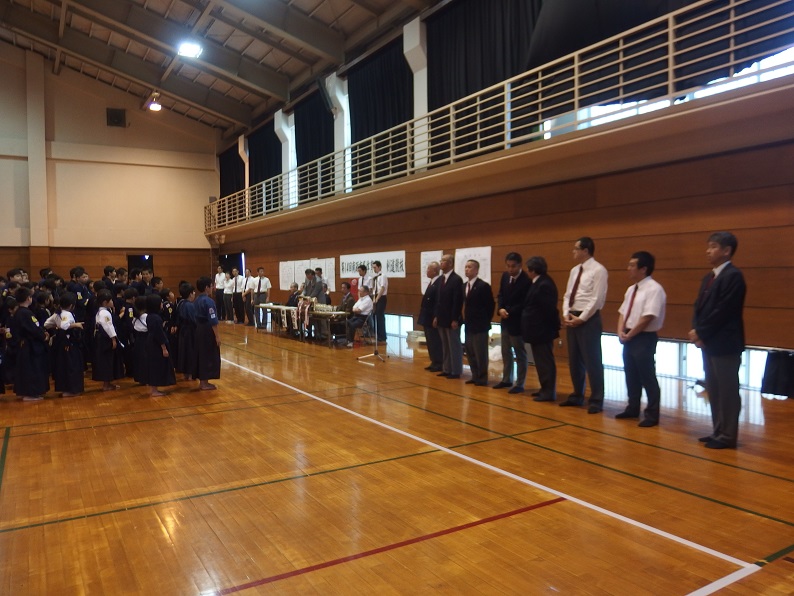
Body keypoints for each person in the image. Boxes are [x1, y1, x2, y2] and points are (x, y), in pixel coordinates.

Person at [689, 232, 746, 449]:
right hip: (709, 342)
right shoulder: (709, 278)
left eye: (713, 247)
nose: (708, 251)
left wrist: (701, 332)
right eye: (708, 246)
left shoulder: (733, 276)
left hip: (725, 343)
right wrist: (696, 330)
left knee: (727, 391)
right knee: (714, 388)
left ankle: (728, 436)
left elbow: (723, 311)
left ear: (726, 251)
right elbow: (699, 307)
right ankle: (718, 430)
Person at [615, 251, 667, 427]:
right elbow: (622, 312)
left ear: (643, 269)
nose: (628, 268)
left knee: (647, 375)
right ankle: (632, 408)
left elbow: (648, 317)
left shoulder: (654, 289)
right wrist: (620, 331)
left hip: (644, 337)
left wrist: (631, 334)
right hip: (629, 336)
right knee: (631, 374)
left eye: (632, 265)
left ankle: (652, 414)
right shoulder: (631, 289)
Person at [561, 237, 608, 413]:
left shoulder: (598, 270)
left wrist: (582, 318)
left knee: (592, 359)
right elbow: (568, 295)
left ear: (586, 250)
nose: (573, 251)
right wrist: (566, 313)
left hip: (589, 319)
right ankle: (577, 395)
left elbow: (597, 298)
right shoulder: (575, 270)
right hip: (573, 315)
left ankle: (596, 399)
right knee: (574, 359)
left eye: (576, 248)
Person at [521, 256, 561, 403]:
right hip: (537, 330)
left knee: (545, 362)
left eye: (528, 269)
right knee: (540, 361)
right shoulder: (537, 282)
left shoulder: (544, 285)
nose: (527, 271)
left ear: (533, 270)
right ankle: (544, 388)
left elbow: (548, 310)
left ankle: (549, 391)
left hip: (542, 330)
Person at [494, 252, 531, 394]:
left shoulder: (526, 280)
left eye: (513, 266)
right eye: (508, 266)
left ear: (520, 265)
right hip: (505, 320)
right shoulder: (505, 276)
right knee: (505, 351)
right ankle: (506, 379)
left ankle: (520, 383)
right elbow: (501, 295)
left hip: (517, 321)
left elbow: (524, 303)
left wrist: (508, 311)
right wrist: (500, 309)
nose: (510, 269)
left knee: (519, 353)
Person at [13, 287, 50, 401]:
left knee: (26, 368)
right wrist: (43, 336)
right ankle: (30, 393)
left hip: (25, 344)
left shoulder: (19, 312)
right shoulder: (25, 313)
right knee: (32, 368)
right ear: (28, 298)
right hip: (30, 346)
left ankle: (24, 391)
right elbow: (33, 329)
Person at [462, 260, 494, 386]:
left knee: (480, 352)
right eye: (466, 267)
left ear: (476, 270)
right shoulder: (464, 286)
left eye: (469, 267)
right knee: (470, 351)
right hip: (469, 324)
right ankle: (475, 375)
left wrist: (485, 320)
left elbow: (490, 305)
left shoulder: (483, 286)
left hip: (480, 325)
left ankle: (482, 377)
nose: (467, 269)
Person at [46, 292, 85, 397]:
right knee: (72, 366)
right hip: (69, 342)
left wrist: (56, 325)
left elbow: (47, 324)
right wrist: (75, 324)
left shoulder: (57, 313)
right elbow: (64, 325)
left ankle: (66, 389)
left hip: (61, 342)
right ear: (72, 305)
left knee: (64, 365)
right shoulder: (67, 314)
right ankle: (71, 390)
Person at [434, 254, 464, 380]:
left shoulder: (456, 279)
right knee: (445, 345)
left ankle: (456, 370)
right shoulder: (441, 279)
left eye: (444, 261)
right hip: (442, 317)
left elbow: (457, 301)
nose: (441, 263)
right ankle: (446, 368)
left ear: (450, 263)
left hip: (452, 318)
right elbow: (438, 300)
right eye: (441, 260)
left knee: (454, 346)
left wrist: (455, 319)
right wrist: (436, 316)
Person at [144, 294, 176, 396]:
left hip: (151, 341)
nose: (162, 304)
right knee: (157, 365)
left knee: (153, 365)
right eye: (160, 302)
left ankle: (154, 389)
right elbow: (159, 334)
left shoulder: (150, 316)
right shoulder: (156, 318)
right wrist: (164, 348)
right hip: (156, 344)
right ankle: (154, 390)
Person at [92, 289, 124, 391]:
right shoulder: (104, 313)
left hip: (102, 338)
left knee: (108, 360)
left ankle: (108, 383)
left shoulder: (102, 311)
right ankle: (106, 385)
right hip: (106, 339)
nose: (112, 302)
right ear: (105, 302)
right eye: (111, 300)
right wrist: (113, 339)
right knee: (107, 361)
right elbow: (108, 327)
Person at [194, 276, 221, 390]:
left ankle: (203, 381)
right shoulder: (208, 301)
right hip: (207, 330)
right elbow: (213, 320)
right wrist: (217, 336)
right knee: (208, 355)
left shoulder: (196, 300)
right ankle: (204, 383)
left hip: (198, 329)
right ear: (206, 287)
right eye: (211, 286)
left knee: (201, 354)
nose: (213, 288)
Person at [418, 261, 443, 372]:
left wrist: (436, 316)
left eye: (429, 269)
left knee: (435, 340)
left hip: (432, 316)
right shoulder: (432, 282)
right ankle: (433, 361)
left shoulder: (439, 282)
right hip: (426, 315)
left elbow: (438, 301)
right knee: (430, 341)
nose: (427, 271)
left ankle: (439, 362)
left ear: (435, 271)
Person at [176, 283, 197, 381]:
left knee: (184, 351)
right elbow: (194, 320)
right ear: (190, 294)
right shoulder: (189, 305)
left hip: (183, 330)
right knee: (190, 351)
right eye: (193, 292)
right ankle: (190, 373)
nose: (194, 294)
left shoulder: (180, 303)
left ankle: (186, 373)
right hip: (189, 331)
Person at [371, 260, 388, 343]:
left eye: (375, 267)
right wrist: (373, 298)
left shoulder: (383, 276)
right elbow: (374, 289)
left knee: (380, 316)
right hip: (375, 297)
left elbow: (382, 288)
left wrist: (377, 298)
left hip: (381, 297)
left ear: (379, 267)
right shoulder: (375, 277)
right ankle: (376, 334)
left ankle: (382, 336)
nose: (374, 269)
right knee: (374, 315)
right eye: (373, 268)